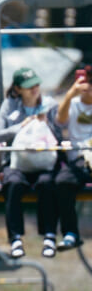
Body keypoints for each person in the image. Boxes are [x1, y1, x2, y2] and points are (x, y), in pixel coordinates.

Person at [0, 67, 60, 259]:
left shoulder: (50, 105)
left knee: (47, 183)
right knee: (13, 184)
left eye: (36, 84)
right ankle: (15, 238)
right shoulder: (9, 106)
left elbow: (60, 133)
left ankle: (49, 236)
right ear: (17, 89)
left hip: (44, 160)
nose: (34, 89)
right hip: (17, 162)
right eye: (28, 86)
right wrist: (21, 126)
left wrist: (46, 124)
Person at [52, 66, 91, 251]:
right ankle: (70, 233)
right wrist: (70, 95)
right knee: (62, 181)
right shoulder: (74, 104)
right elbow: (60, 120)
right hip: (79, 158)